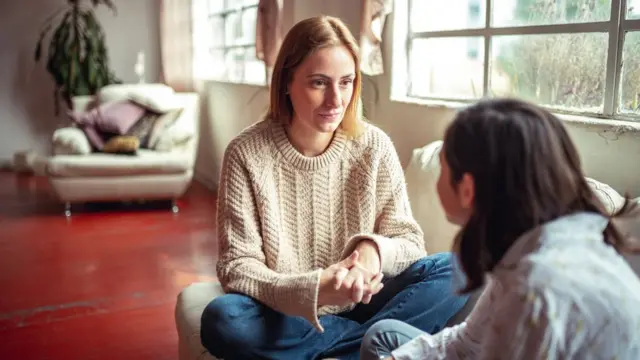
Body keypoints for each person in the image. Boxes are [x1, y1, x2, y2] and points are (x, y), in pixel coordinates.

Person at [199, 15, 470, 360]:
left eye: (346, 82)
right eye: (318, 83)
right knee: (223, 320)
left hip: (368, 301)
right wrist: (317, 289)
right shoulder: (246, 153)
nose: (335, 100)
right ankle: (370, 346)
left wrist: (372, 253)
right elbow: (238, 267)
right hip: (290, 313)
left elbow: (409, 241)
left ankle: (345, 347)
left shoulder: (374, 146)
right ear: (286, 82)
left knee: (460, 266)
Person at [360, 98, 640, 360]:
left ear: (467, 188)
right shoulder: (537, 244)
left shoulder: (534, 289)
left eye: (444, 164)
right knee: (383, 337)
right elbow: (467, 342)